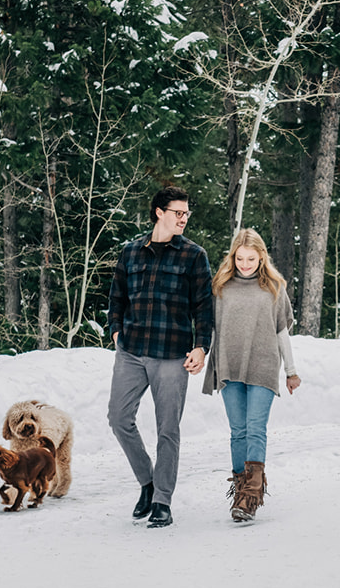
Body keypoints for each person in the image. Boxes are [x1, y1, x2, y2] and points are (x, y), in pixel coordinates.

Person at [106, 185, 213, 529]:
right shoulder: (131, 251)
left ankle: (163, 500)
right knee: (119, 418)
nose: (184, 218)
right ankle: (147, 482)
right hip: (132, 351)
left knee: (168, 429)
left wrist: (201, 346)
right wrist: (116, 329)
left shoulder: (194, 255)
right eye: (178, 212)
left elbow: (203, 306)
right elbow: (117, 295)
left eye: (187, 213)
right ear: (159, 212)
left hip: (171, 354)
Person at [203, 229, 301, 523]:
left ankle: (251, 496)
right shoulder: (220, 286)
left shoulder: (273, 286)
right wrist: (198, 354)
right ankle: (240, 487)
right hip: (229, 363)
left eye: (252, 258)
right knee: (238, 431)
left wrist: (291, 371)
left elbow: (282, 331)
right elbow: (210, 328)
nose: (245, 264)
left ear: (262, 257)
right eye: (240, 258)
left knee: (255, 427)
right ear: (233, 257)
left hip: (263, 364)